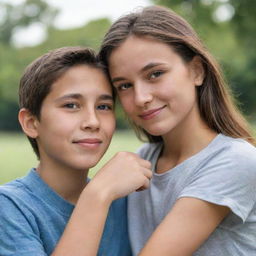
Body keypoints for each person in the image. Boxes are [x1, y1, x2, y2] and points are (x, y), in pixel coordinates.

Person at [99, 5, 256, 255]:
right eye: (125, 85)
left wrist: (98, 193)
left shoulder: (235, 162)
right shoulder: (142, 162)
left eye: (155, 74)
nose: (141, 98)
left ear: (197, 71)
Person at [0, 46, 152, 256]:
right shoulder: (10, 207)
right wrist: (97, 196)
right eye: (71, 105)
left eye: (103, 106)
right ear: (31, 123)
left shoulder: (126, 202)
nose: (93, 122)